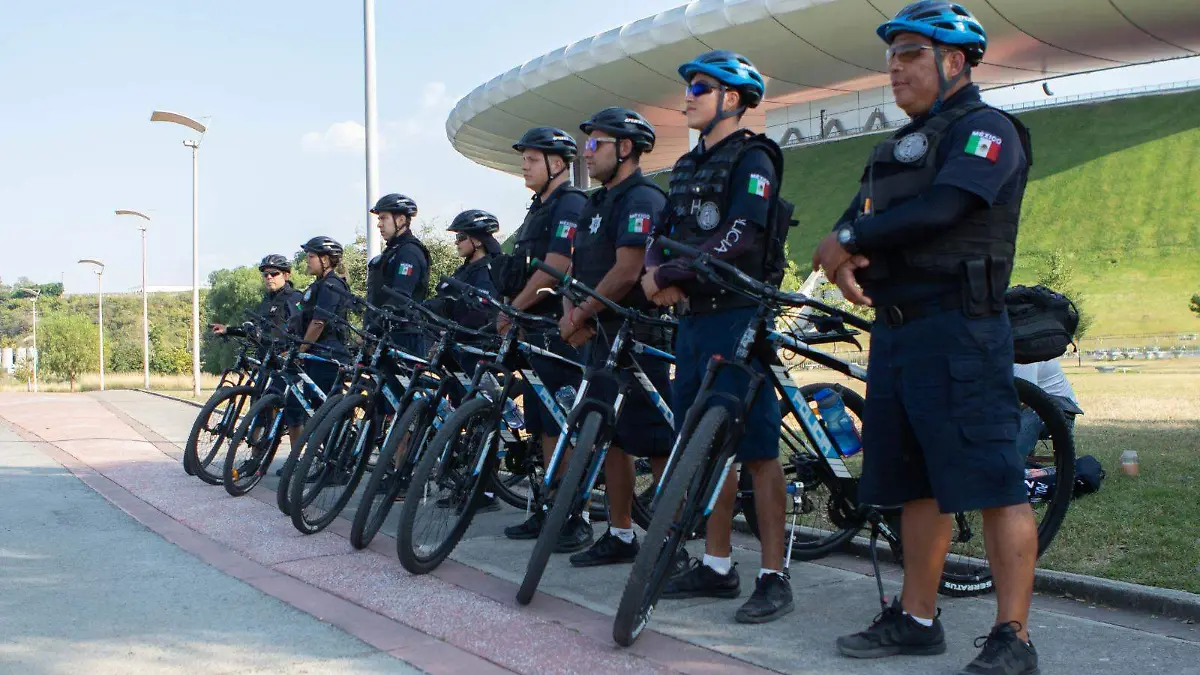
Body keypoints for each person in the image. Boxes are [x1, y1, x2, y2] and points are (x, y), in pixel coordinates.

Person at [810, 3, 1039, 673]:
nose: (895, 66)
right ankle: (917, 619)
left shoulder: (987, 129)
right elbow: (855, 219)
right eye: (892, 56)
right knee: (915, 484)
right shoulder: (893, 148)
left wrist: (848, 241)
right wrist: (844, 251)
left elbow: (943, 208)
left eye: (911, 53)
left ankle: (1013, 636)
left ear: (956, 61)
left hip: (961, 329)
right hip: (899, 334)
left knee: (995, 480)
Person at [642, 50, 793, 624]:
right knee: (704, 447)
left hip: (739, 313)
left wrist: (672, 274)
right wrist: (654, 270)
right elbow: (660, 232)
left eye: (700, 88)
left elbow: (741, 234)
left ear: (731, 98)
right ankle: (717, 565)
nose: (688, 96)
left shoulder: (754, 156)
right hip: (694, 319)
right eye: (687, 87)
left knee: (756, 451)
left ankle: (775, 575)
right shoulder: (683, 166)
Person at [557, 107, 673, 568]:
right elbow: (575, 268)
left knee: (657, 439)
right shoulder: (596, 202)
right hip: (601, 333)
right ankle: (621, 533)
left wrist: (582, 312)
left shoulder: (642, 198)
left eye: (596, 144)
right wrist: (571, 312)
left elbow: (627, 270)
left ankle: (671, 541)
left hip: (637, 333)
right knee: (612, 437)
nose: (587, 152)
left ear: (625, 148)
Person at [497, 127, 591, 552]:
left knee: (564, 422)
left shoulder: (570, 203)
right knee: (542, 422)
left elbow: (557, 264)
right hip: (533, 328)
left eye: (532, 159)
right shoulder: (538, 208)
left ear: (558, 163)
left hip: (558, 327)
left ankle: (576, 515)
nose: (525, 165)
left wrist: (515, 305)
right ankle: (549, 505)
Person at [290, 236, 352, 448]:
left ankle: (334, 460)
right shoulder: (317, 286)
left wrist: (302, 348)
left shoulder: (332, 285)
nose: (307, 260)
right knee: (315, 408)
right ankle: (321, 458)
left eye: (311, 256)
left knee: (324, 410)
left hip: (329, 353)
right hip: (317, 352)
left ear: (325, 259)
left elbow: (319, 322)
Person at [368, 193, 431, 357]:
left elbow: (400, 295)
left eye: (383, 218)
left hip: (404, 335)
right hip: (387, 333)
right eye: (378, 219)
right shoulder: (394, 250)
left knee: (406, 382)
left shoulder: (409, 251)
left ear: (401, 220)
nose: (379, 225)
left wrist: (373, 327)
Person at [426, 209, 502, 331]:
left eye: (461, 237)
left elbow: (480, 314)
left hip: (471, 344)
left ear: (477, 241)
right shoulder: (464, 270)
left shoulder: (488, 272)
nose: (456, 242)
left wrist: (451, 336)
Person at [210, 254, 302, 340]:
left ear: (286, 275)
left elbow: (301, 330)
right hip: (265, 354)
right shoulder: (267, 300)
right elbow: (254, 330)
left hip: (285, 354)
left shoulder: (294, 297)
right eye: (265, 275)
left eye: (274, 274)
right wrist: (227, 330)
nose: (269, 277)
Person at [1014, 359, 1082, 456]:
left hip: (1061, 411)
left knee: (1024, 418)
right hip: (1034, 407)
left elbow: (1026, 398)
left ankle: (1010, 464)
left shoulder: (1022, 356)